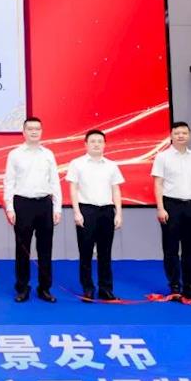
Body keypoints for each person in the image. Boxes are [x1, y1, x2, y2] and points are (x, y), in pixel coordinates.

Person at [3, 117, 62, 303]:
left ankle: (44, 288)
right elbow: (9, 182)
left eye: (37, 128)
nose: (34, 131)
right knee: (22, 249)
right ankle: (22, 288)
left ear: (41, 131)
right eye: (30, 129)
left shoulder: (48, 154)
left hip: (44, 204)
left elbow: (55, 182)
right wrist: (10, 207)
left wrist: (57, 207)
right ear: (24, 132)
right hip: (22, 204)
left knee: (45, 248)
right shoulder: (15, 154)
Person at [152, 121, 191, 303]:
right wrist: (160, 208)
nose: (180, 136)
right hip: (171, 206)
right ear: (171, 136)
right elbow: (158, 184)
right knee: (170, 248)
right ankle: (175, 287)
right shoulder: (162, 157)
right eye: (177, 133)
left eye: (184, 133)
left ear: (189, 135)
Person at [66, 129, 124, 301]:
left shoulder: (111, 165)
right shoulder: (77, 164)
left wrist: (119, 213)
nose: (96, 144)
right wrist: (77, 212)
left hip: (107, 211)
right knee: (85, 252)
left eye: (100, 141)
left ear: (105, 144)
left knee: (105, 252)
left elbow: (116, 189)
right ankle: (88, 288)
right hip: (86, 211)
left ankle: (105, 289)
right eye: (93, 141)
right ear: (86, 144)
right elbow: (73, 189)